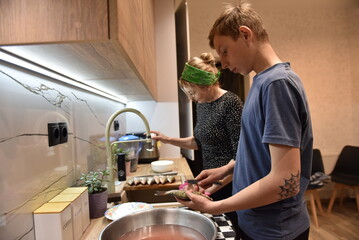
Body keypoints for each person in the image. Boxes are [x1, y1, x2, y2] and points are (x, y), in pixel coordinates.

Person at [176, 2, 313, 240]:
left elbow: (286, 180)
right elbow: (262, 157)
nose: (224, 64)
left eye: (225, 51)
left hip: (275, 231)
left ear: (245, 34)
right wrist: (229, 169)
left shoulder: (277, 84)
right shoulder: (261, 83)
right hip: (255, 224)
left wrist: (213, 207)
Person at [151, 52, 243, 236]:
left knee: (233, 232)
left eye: (192, 91)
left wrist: (208, 191)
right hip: (211, 184)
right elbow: (199, 142)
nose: (191, 98)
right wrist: (166, 139)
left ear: (206, 85)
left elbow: (241, 157)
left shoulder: (231, 103)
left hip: (231, 186)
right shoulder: (202, 104)